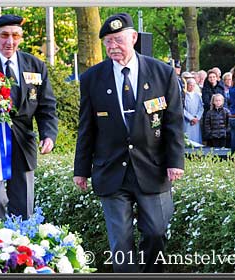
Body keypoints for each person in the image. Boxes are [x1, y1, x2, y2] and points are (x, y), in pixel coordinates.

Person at [73, 13, 185, 273]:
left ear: (133, 38)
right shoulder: (92, 78)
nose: (112, 47)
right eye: (108, 42)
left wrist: (175, 162)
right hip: (112, 170)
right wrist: (81, 169)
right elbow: (86, 128)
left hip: (152, 168)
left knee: (156, 233)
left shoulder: (162, 73)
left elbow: (174, 123)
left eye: (118, 40)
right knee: (121, 244)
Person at [0, 14, 59, 234]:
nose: (10, 41)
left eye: (15, 36)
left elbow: (47, 106)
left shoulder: (35, 65)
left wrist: (49, 135)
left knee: (23, 207)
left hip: (23, 142)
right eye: (5, 35)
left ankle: (21, 255)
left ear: (21, 37)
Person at [183, 78, 204, 143]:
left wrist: (197, 117)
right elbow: (182, 109)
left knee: (196, 139)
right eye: (190, 85)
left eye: (193, 85)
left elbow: (201, 108)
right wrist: (191, 118)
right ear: (187, 85)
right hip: (187, 121)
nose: (192, 87)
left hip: (196, 121)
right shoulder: (184, 96)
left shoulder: (197, 95)